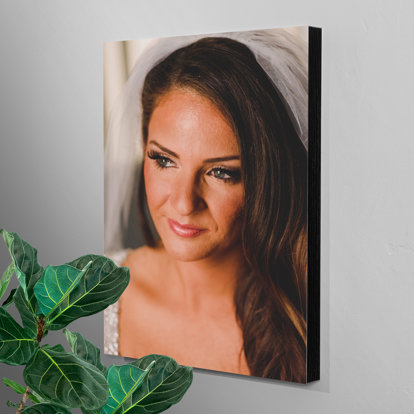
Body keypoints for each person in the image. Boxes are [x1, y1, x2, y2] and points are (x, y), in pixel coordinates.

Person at [104, 29, 309, 382]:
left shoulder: (307, 318)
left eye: (221, 172)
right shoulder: (90, 296)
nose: (184, 203)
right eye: (164, 160)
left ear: (267, 179)